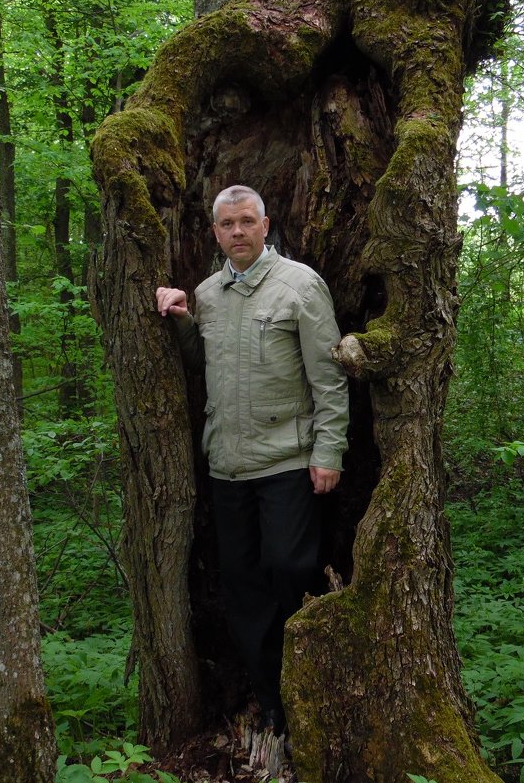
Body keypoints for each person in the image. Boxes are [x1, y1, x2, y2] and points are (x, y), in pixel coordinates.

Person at [155, 185, 349, 735]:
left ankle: (308, 686)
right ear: (214, 232)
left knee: (291, 571)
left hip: (289, 461)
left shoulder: (300, 285)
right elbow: (199, 363)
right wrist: (180, 316)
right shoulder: (209, 293)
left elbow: (329, 378)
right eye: (226, 224)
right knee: (242, 588)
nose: (237, 232)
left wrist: (329, 451)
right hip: (228, 466)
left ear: (266, 225)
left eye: (246, 221)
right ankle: (271, 703)